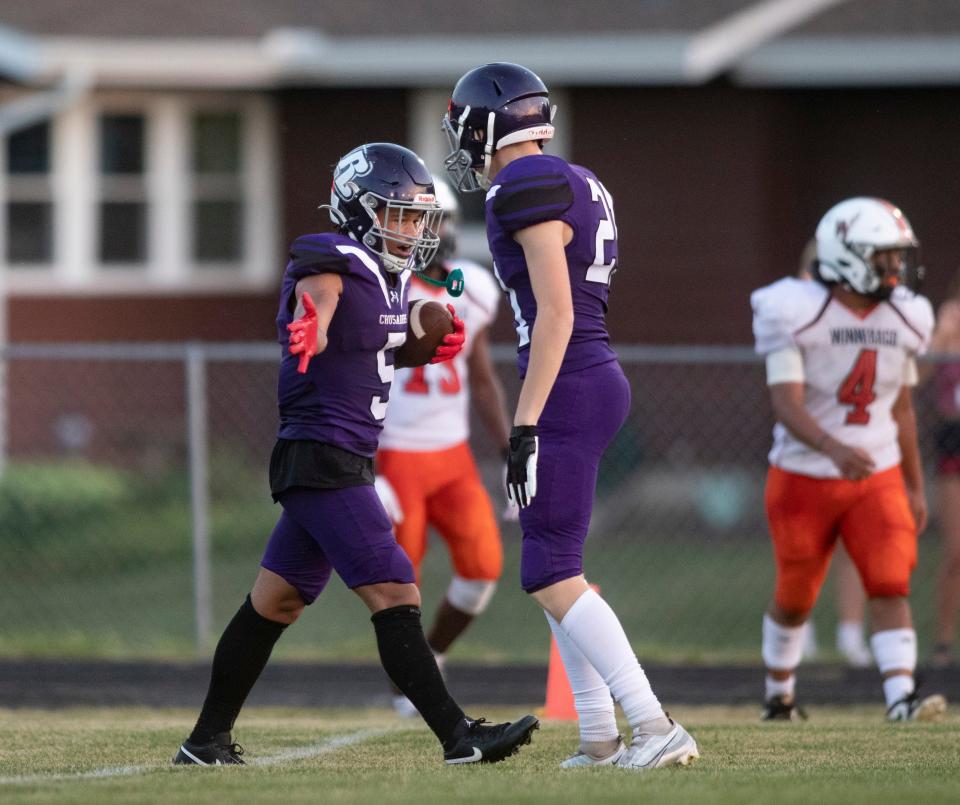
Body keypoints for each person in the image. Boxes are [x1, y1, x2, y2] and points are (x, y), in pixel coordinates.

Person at [172, 142, 538, 766]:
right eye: (397, 213)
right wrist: (311, 318)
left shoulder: (389, 278)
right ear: (357, 207)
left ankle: (205, 741)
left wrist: (419, 342)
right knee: (397, 591)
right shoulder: (333, 255)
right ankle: (459, 736)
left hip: (339, 458)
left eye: (417, 216)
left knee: (275, 603)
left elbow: (373, 347)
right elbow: (320, 291)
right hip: (324, 457)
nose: (412, 228)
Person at [442, 62, 699, 770]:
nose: (461, 138)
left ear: (495, 123)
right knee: (553, 562)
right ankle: (598, 737)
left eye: (467, 122)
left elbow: (555, 312)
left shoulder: (523, 183)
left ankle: (652, 723)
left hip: (568, 380)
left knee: (552, 569)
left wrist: (523, 423)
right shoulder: (572, 177)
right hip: (585, 374)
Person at [751, 196, 947, 722]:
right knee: (795, 596)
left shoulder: (905, 315)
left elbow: (902, 407)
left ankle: (900, 697)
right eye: (883, 257)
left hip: (876, 470)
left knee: (889, 580)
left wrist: (914, 484)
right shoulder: (796, 309)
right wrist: (834, 448)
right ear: (848, 255)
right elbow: (786, 404)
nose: (896, 269)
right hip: (803, 474)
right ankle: (779, 695)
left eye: (897, 258)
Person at [375, 177, 517, 717]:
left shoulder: (474, 287)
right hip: (395, 453)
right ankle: (403, 682)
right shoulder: (384, 288)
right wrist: (367, 469)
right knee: (396, 584)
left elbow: (481, 377)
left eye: (439, 221)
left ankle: (430, 655)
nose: (433, 233)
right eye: (421, 221)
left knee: (482, 568)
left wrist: (509, 450)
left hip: (452, 456)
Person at [797, 239, 873, 668]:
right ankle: (800, 631)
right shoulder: (797, 317)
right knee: (805, 545)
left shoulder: (860, 316)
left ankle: (850, 633)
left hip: (852, 442)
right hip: (808, 447)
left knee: (852, 543)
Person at [927, 284, 960, 667]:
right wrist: (942, 334)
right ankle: (944, 643)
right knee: (955, 551)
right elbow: (919, 375)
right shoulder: (949, 323)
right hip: (953, 437)